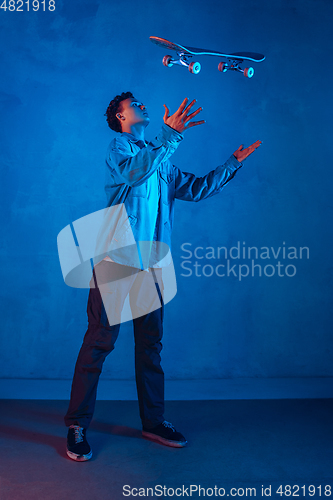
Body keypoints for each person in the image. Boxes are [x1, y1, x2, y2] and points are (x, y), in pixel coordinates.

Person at [64, 91, 261, 461]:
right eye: (134, 105)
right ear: (121, 117)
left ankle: (153, 422)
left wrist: (232, 163)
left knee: (150, 348)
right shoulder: (119, 148)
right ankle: (77, 425)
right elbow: (136, 170)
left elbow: (198, 189)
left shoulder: (164, 162)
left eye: (142, 103)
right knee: (98, 344)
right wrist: (170, 137)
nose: (143, 107)